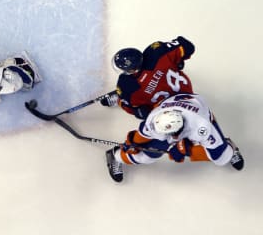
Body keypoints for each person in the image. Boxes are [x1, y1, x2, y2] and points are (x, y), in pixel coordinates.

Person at [105, 93, 244, 183]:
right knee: (147, 157)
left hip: (196, 111)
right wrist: (131, 144)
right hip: (172, 106)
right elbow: (141, 135)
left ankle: (229, 145)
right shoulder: (154, 120)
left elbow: (215, 150)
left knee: (222, 157)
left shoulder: (201, 126)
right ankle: (115, 155)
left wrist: (186, 150)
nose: (169, 139)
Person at [100, 36, 195, 119]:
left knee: (127, 100)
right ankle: (119, 96)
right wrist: (179, 59)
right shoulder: (156, 52)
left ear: (133, 70)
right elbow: (188, 46)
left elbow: (129, 108)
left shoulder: (127, 84)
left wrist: (137, 112)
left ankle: (118, 98)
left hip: (164, 110)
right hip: (186, 90)